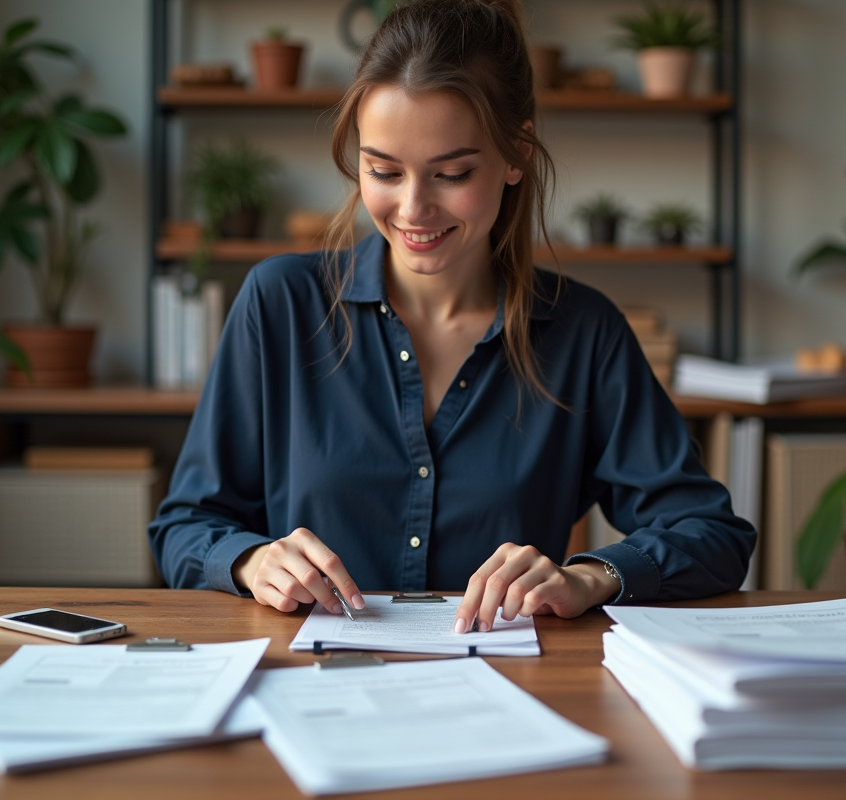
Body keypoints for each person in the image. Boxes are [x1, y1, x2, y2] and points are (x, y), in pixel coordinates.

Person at [148, 0, 755, 634]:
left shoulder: (583, 332)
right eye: (383, 170)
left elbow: (712, 533)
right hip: (316, 687)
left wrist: (587, 577)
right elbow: (185, 525)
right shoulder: (279, 303)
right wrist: (250, 561)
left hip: (513, 696)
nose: (413, 209)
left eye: (452, 173)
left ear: (516, 151)